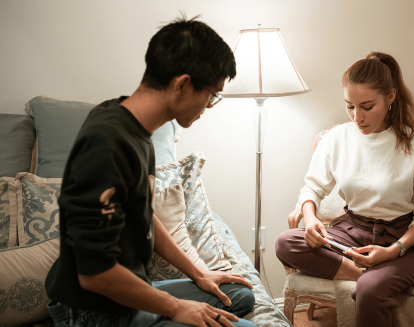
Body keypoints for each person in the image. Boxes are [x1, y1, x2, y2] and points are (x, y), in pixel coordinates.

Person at [45, 15, 257, 327]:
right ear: (182, 85)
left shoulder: (136, 127)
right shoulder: (106, 144)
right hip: (93, 310)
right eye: (212, 95)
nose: (209, 106)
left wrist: (199, 273)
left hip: (126, 292)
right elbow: (94, 274)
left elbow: (142, 213)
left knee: (238, 294)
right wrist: (176, 308)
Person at [275, 51, 414, 327]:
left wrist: (394, 251)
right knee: (286, 242)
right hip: (352, 231)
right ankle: (379, 278)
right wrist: (310, 219)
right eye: (350, 106)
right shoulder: (336, 138)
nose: (357, 117)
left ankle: (378, 279)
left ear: (390, 97)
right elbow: (312, 188)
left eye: (367, 107)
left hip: (404, 240)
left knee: (370, 289)